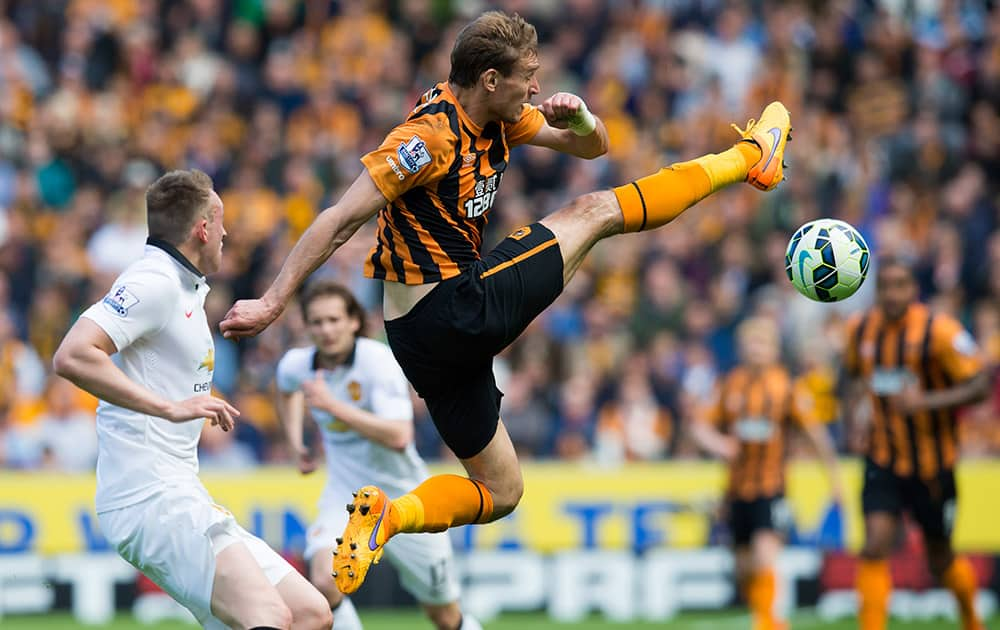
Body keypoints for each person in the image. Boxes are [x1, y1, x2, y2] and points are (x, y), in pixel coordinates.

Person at [220, 10, 792, 595]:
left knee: (501, 491)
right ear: (490, 79)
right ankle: (750, 159)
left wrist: (583, 118)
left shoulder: (498, 115)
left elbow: (594, 148)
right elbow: (339, 219)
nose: (537, 87)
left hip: (421, 343)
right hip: (450, 307)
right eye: (528, 75)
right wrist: (272, 302)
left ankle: (389, 518)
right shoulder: (428, 138)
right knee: (593, 213)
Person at [53, 169, 332, 630]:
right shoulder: (153, 282)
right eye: (221, 223)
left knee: (310, 613)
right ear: (203, 227)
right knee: (270, 617)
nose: (227, 234)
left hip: (179, 490)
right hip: (148, 496)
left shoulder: (184, 288)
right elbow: (73, 355)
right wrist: (168, 407)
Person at [275, 280, 480, 630]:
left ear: (354, 321)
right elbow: (284, 390)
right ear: (306, 326)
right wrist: (296, 444)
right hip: (346, 496)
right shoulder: (298, 364)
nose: (326, 330)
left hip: (405, 501)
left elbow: (399, 436)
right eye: (317, 322)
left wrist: (332, 406)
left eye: (334, 320)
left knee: (444, 615)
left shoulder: (377, 361)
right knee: (325, 581)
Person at [843, 257, 990, 630]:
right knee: (875, 544)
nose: (892, 294)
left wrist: (925, 402)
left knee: (939, 559)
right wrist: (853, 421)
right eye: (885, 286)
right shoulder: (859, 330)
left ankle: (971, 620)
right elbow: (849, 377)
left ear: (913, 289)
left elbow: (980, 385)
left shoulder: (940, 331)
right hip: (883, 457)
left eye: (900, 285)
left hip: (933, 463)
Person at [690, 316, 843, 630]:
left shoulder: (787, 388)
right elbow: (699, 426)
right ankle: (766, 616)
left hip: (772, 486)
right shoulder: (729, 384)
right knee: (744, 567)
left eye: (762, 343)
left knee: (764, 555)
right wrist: (719, 444)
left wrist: (834, 479)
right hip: (736, 489)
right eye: (750, 343)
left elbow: (815, 435)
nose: (756, 350)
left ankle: (769, 624)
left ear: (774, 349)